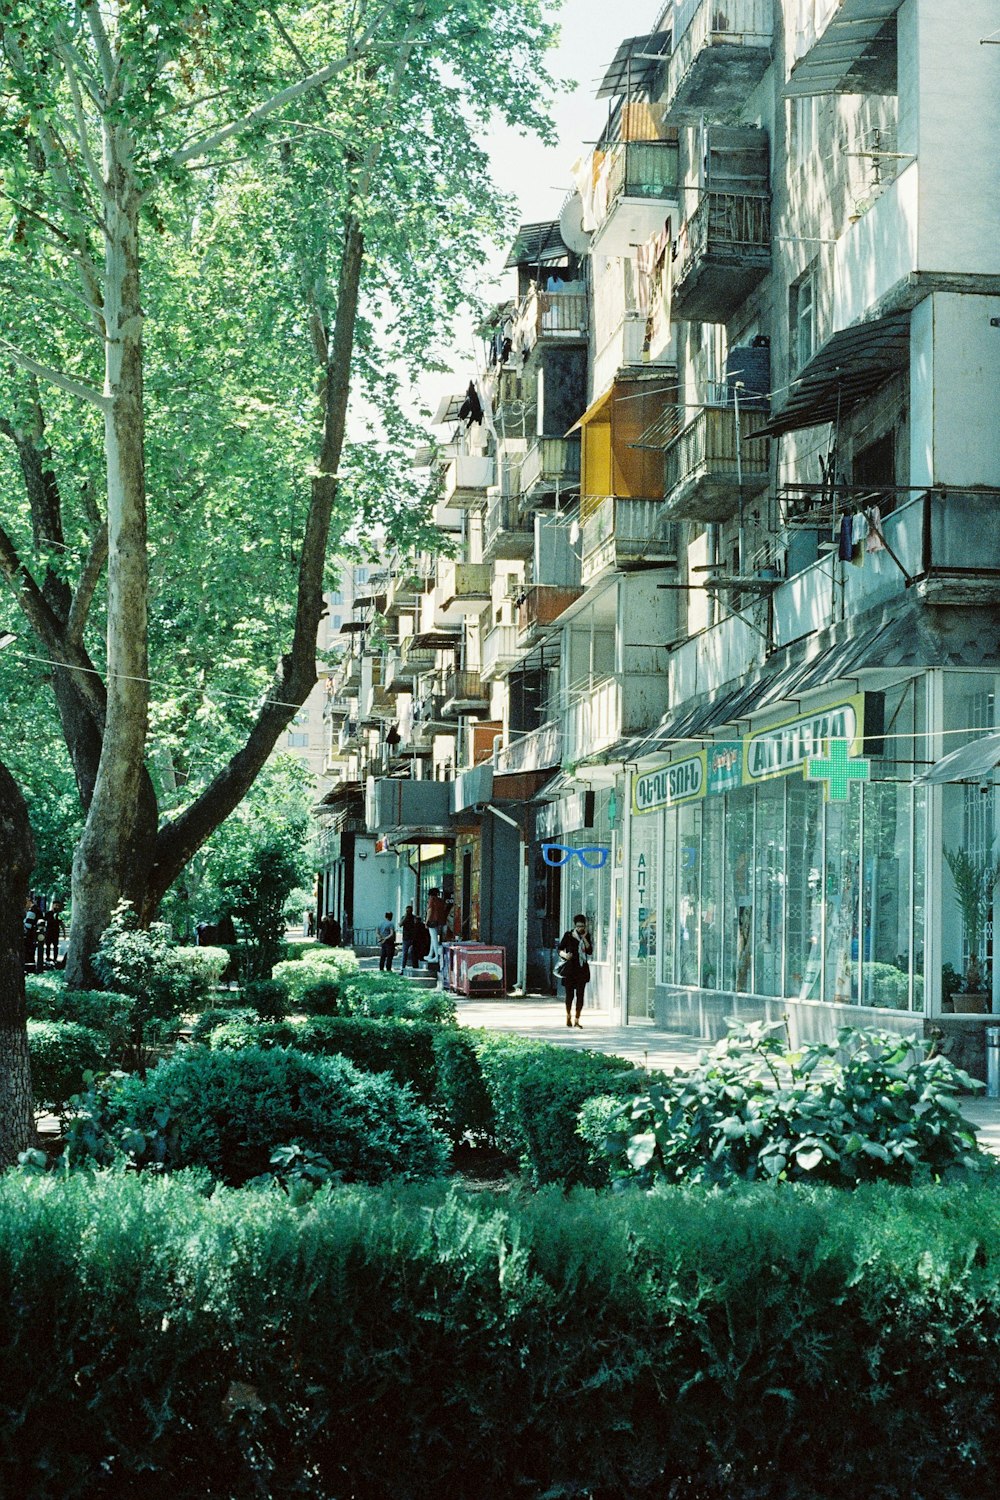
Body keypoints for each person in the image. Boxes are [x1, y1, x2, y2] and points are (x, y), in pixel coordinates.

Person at [558, 912, 593, 1028]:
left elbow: (589, 951)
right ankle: (568, 1015)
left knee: (580, 995)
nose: (580, 928)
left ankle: (577, 1019)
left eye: (582, 926)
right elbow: (559, 949)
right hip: (570, 969)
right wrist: (564, 955)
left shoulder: (586, 936)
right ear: (574, 925)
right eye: (578, 926)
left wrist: (584, 939)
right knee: (569, 995)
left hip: (582, 969)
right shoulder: (568, 935)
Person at [424, 888, 449, 963]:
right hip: (440, 921)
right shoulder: (441, 900)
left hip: (432, 921)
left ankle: (437, 957)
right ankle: (430, 954)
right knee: (433, 938)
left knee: (434, 939)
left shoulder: (432, 900)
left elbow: (430, 910)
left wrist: (426, 921)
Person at [399, 904, 418, 971]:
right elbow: (400, 924)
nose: (408, 912)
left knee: (413, 953)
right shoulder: (404, 917)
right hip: (406, 938)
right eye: (407, 911)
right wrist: (405, 917)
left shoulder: (414, 918)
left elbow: (416, 925)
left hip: (412, 938)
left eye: (409, 911)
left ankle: (414, 967)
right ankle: (403, 968)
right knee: (404, 954)